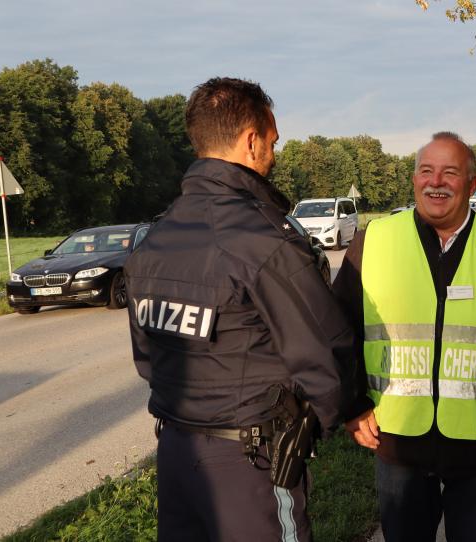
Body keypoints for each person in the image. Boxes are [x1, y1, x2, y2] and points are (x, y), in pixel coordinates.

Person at [124, 77, 354, 542]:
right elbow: (326, 352)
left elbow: (147, 355)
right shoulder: (264, 240)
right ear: (251, 141)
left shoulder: (155, 238)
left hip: (174, 450)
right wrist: (342, 414)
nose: (274, 149)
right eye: (272, 140)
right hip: (252, 462)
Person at [333, 132, 476, 542]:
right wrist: (351, 404)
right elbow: (336, 330)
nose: (436, 182)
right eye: (426, 171)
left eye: (450, 172)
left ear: (470, 184)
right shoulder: (374, 241)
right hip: (398, 444)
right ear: (414, 179)